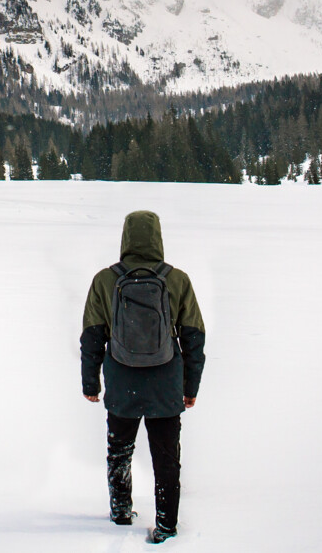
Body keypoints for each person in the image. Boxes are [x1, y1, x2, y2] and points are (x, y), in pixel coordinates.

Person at [80, 210, 207, 544]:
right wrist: (190, 387)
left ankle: (121, 512)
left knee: (119, 451)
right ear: (157, 238)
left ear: (125, 237)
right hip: (165, 385)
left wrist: (90, 383)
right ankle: (166, 524)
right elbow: (194, 337)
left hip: (122, 384)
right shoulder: (176, 279)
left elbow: (92, 336)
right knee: (166, 457)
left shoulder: (105, 280)